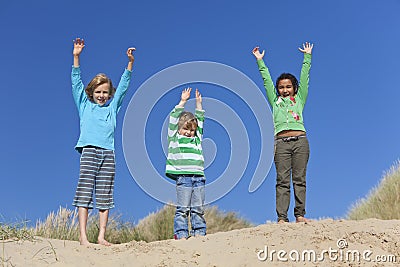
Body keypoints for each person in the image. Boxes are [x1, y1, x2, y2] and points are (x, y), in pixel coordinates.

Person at [71, 37, 135, 245]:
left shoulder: (112, 108)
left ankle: (101, 236)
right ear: (92, 92)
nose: (101, 95)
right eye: (98, 92)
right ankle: (83, 236)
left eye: (105, 92)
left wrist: (130, 64)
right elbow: (76, 83)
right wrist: (76, 57)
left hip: (108, 153)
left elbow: (124, 87)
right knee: (84, 192)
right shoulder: (85, 105)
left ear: (109, 94)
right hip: (89, 151)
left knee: (105, 196)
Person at [252, 42, 313, 224]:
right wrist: (260, 61)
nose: (284, 90)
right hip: (281, 144)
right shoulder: (275, 101)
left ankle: (300, 215)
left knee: (299, 179)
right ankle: (281, 217)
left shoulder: (299, 99)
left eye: (288, 87)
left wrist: (307, 58)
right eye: (281, 87)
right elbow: (266, 81)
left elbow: (305, 78)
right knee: (282, 180)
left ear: (294, 88)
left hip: (300, 141)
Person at [166, 87, 206, 240]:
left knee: (198, 207)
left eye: (192, 130)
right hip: (183, 177)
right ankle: (181, 233)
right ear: (179, 128)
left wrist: (198, 105)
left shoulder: (197, 139)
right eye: (186, 129)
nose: (189, 132)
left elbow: (200, 120)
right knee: (183, 208)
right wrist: (183, 101)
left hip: (199, 177)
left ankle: (199, 232)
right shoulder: (174, 138)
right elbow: (173, 118)